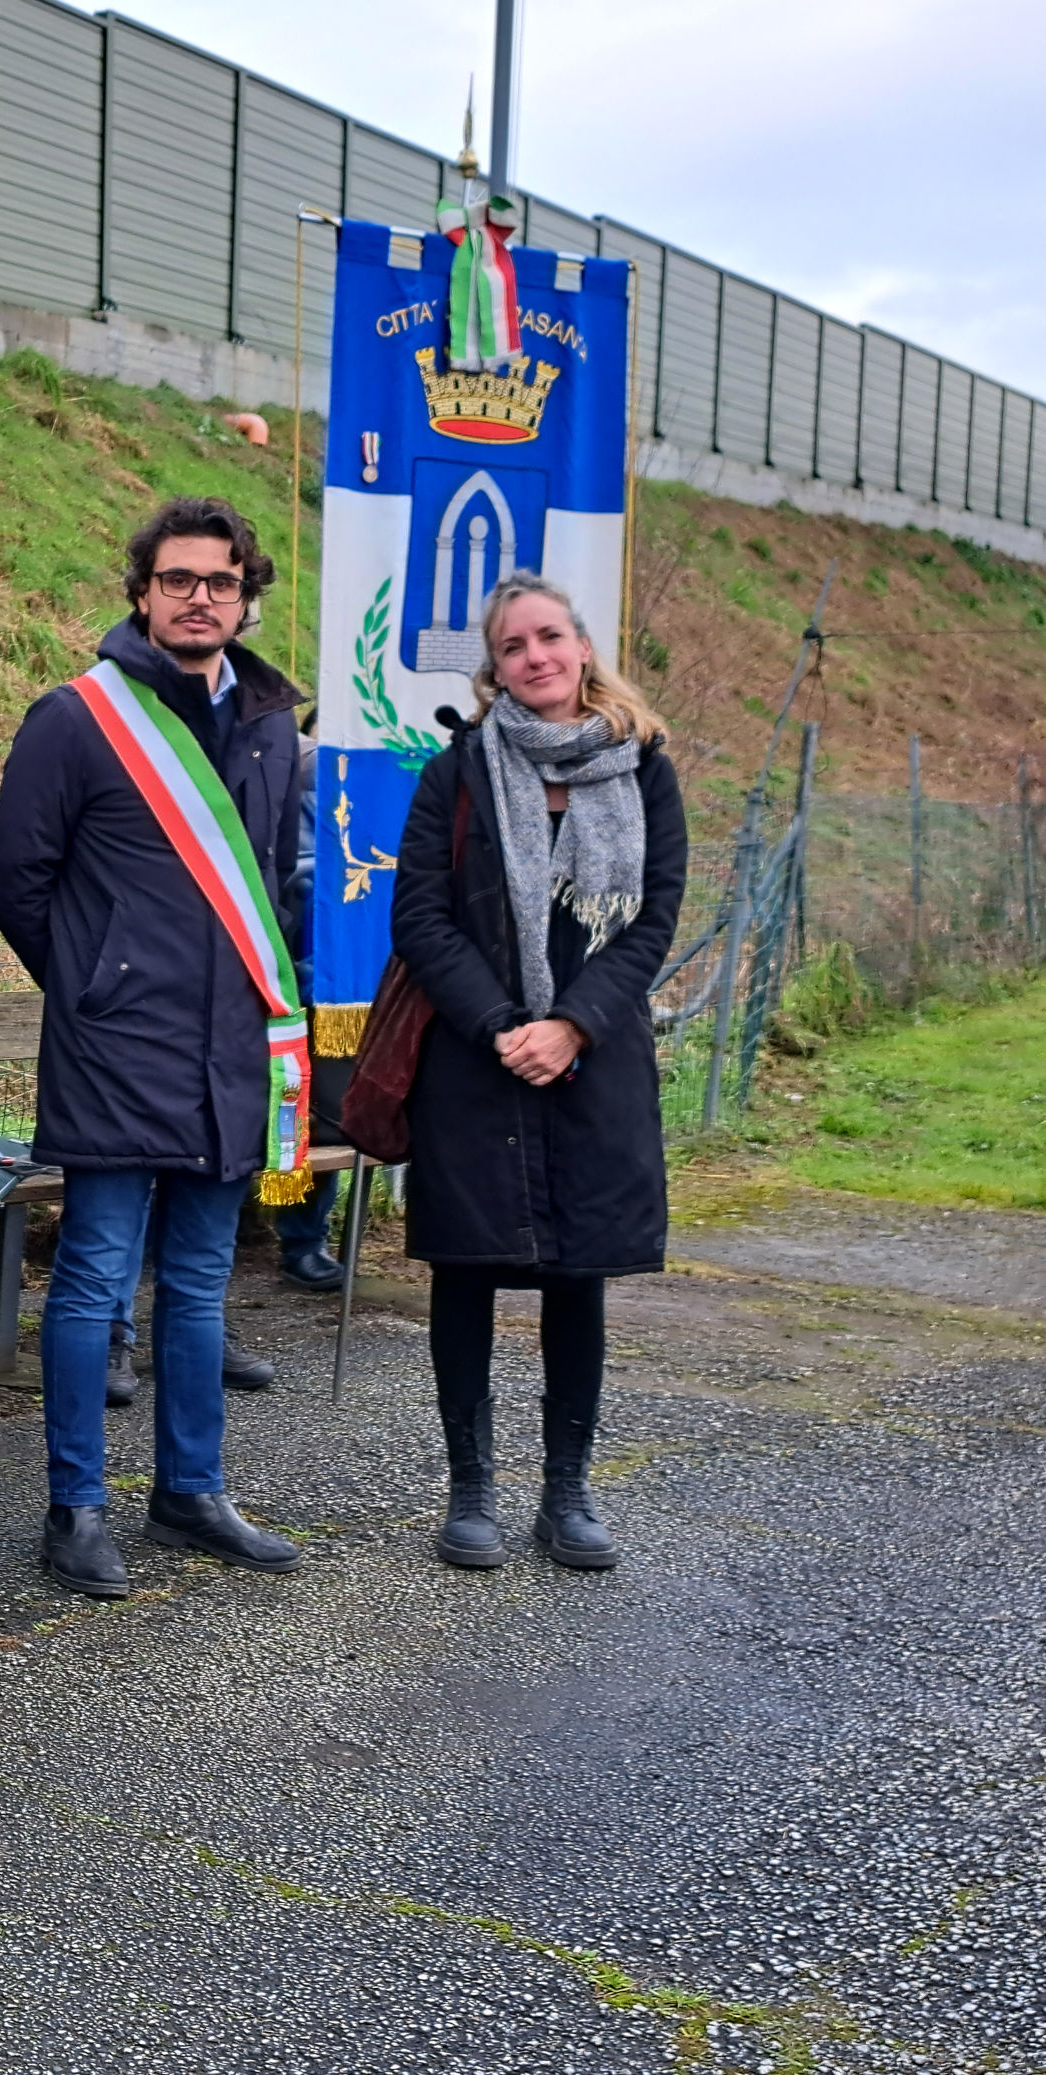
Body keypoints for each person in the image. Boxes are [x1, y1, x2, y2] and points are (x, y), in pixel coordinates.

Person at [0, 498, 309, 1600]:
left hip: (227, 1052)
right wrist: (94, 981)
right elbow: (14, 882)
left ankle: (190, 1488)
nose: (197, 597)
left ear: (242, 594)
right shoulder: (75, 718)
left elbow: (271, 880)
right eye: (176, 579)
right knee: (88, 1286)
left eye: (217, 580)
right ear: (141, 591)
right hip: (118, 1048)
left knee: (203, 1288)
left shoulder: (270, 722)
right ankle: (73, 1507)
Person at [388, 571, 685, 1572]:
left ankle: (566, 1492)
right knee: (465, 1269)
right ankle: (468, 1489)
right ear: (493, 666)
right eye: (513, 646)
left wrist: (572, 1024)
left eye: (548, 637)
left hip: (592, 1061)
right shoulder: (457, 770)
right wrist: (503, 1024)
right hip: (476, 1063)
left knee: (576, 1272)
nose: (535, 657)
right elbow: (419, 917)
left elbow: (653, 916)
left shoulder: (640, 764)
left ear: (580, 645)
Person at [273, 722, 346, 1293]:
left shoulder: (350, 779)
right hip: (279, 979)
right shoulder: (296, 765)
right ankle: (293, 1236)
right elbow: (302, 879)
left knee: (317, 1113)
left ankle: (302, 1236)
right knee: (290, 1108)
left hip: (333, 988)